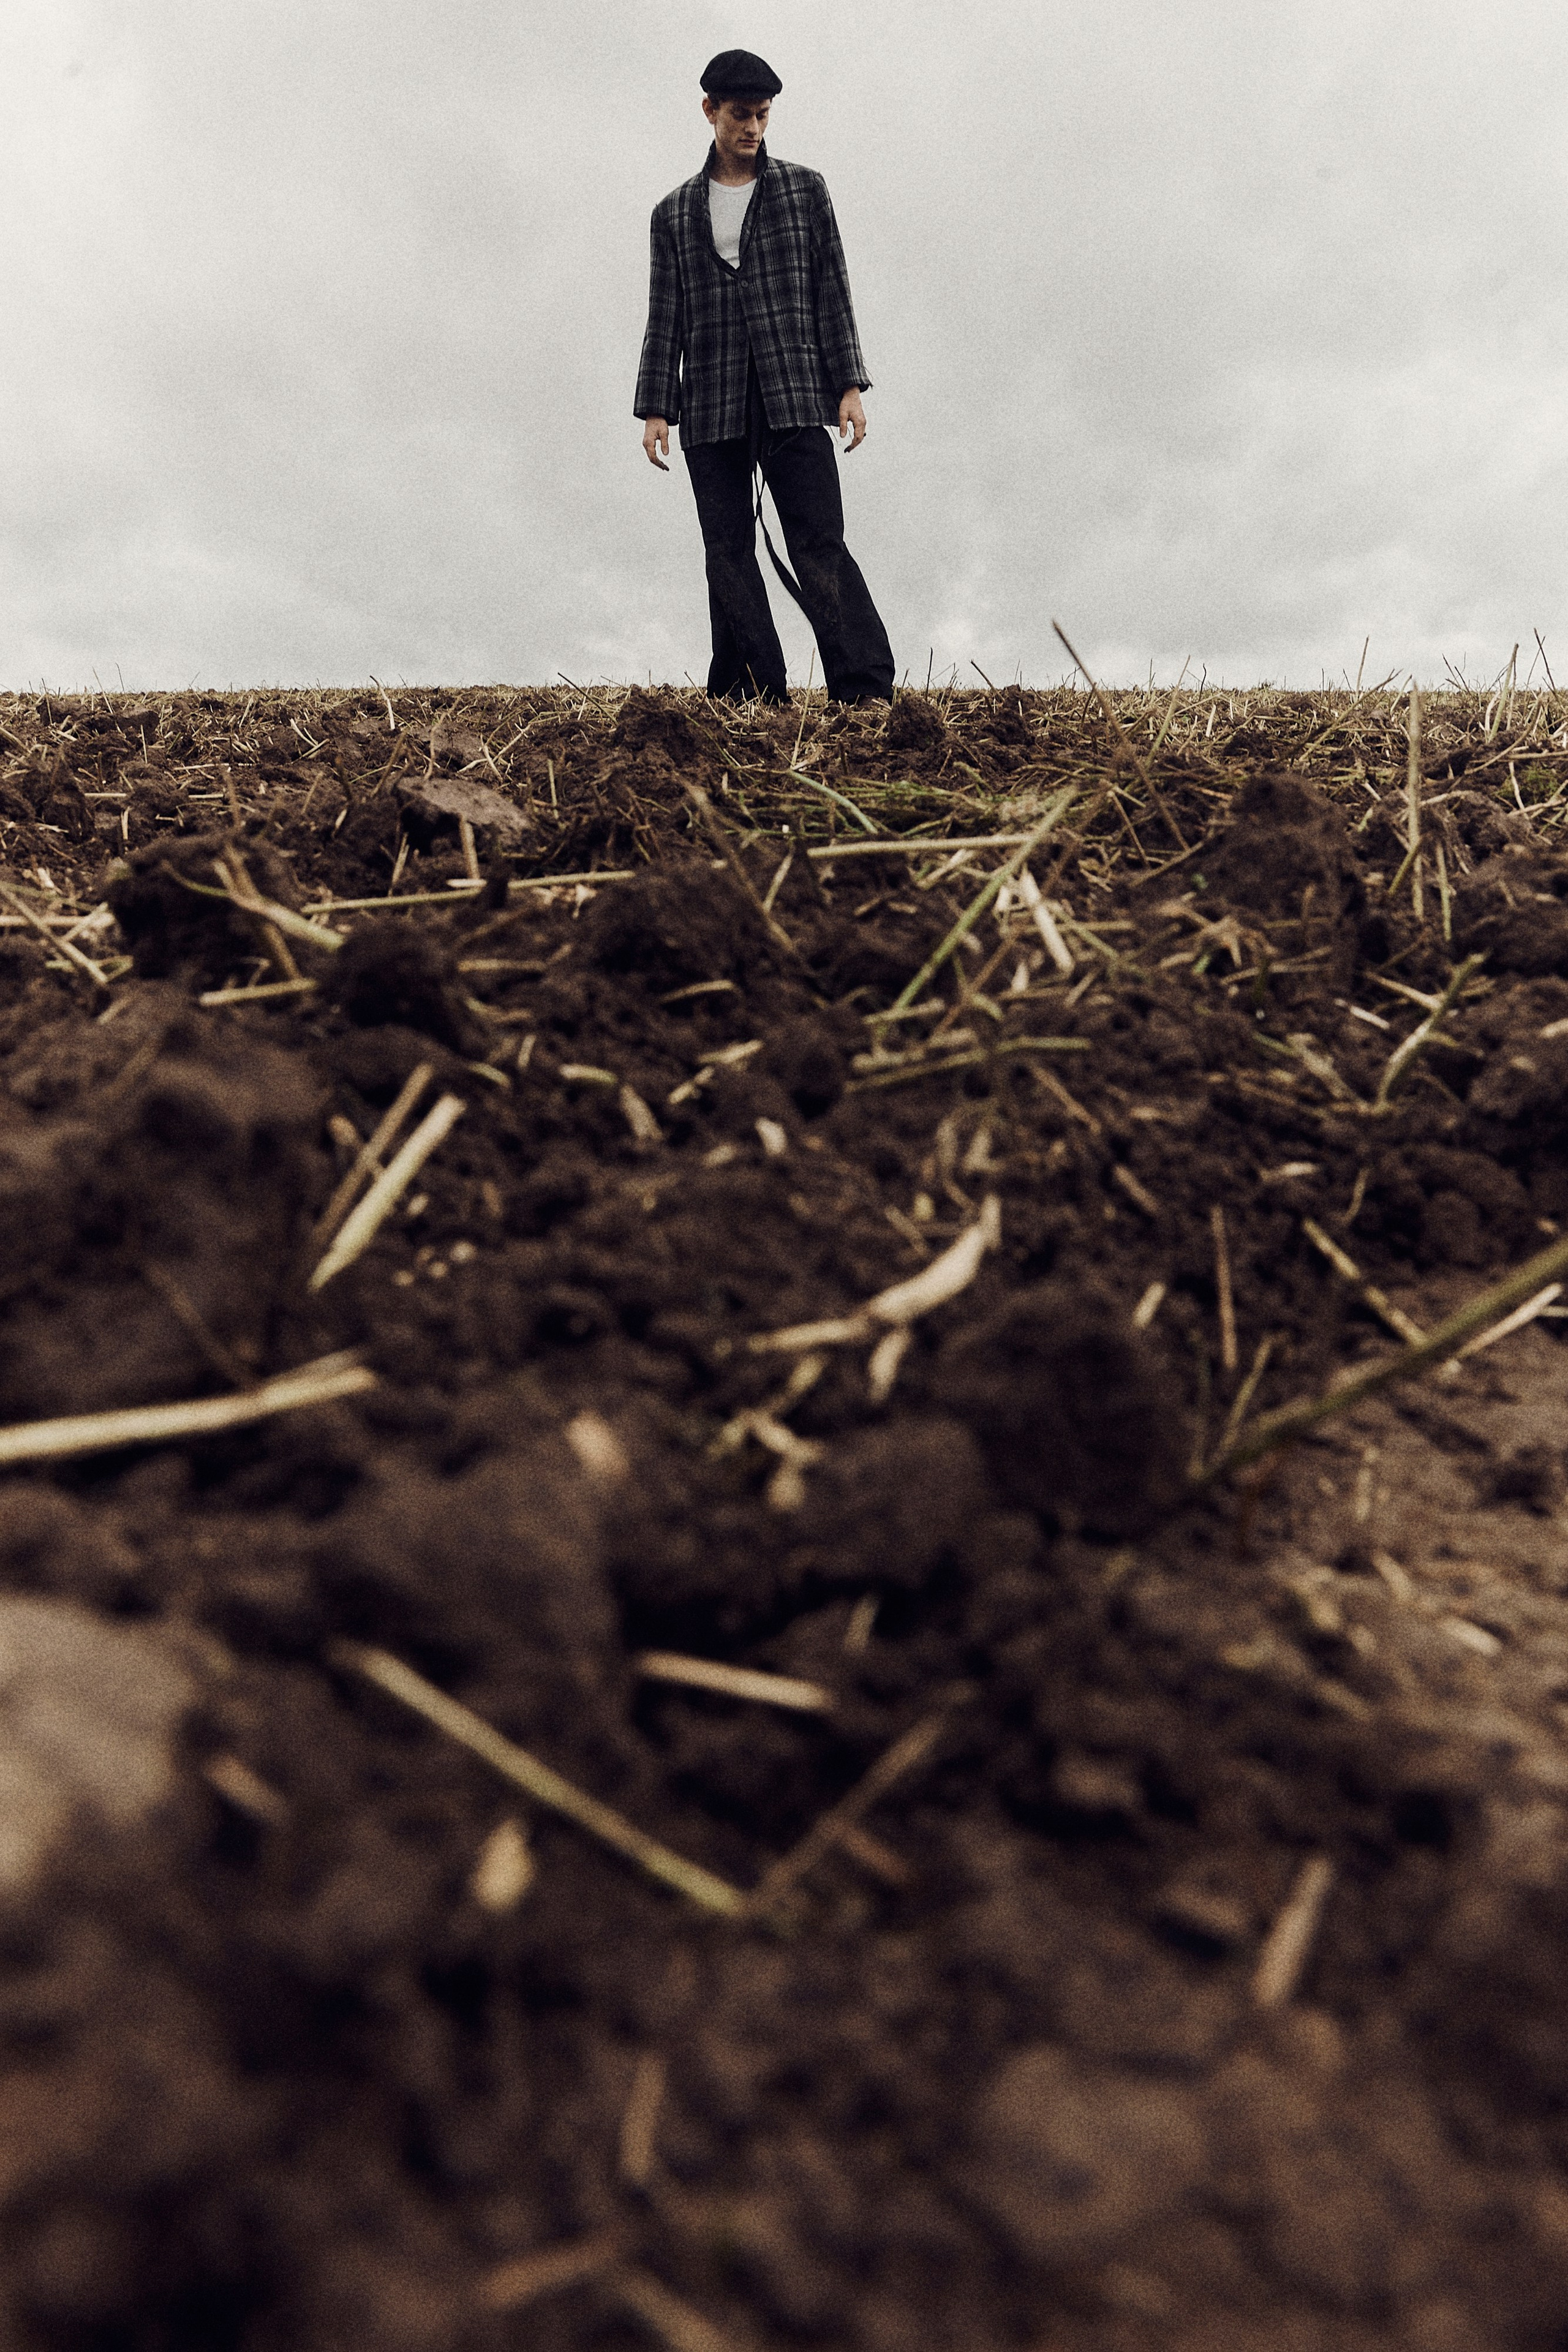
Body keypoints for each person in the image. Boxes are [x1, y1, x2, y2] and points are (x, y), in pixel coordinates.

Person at [635, 48, 895, 706]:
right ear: (709, 112)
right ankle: (751, 690)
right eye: (741, 116)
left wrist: (849, 387)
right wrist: (656, 408)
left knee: (818, 541)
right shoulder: (672, 214)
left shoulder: (806, 191)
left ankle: (862, 689)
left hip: (794, 390)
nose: (753, 128)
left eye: (763, 115)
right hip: (712, 397)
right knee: (726, 549)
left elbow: (832, 292)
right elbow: (665, 314)